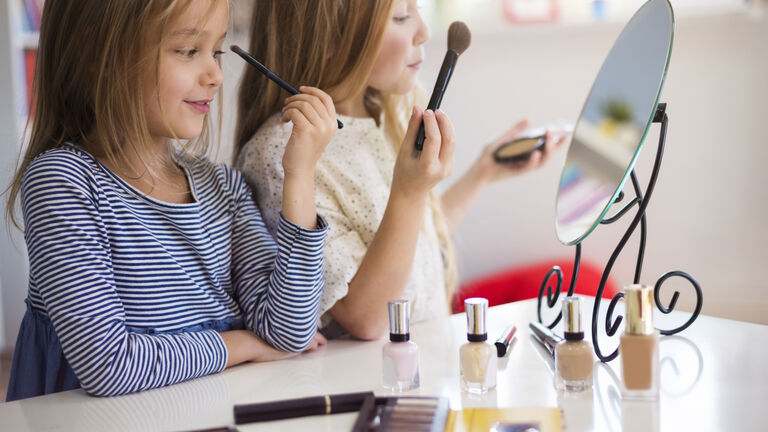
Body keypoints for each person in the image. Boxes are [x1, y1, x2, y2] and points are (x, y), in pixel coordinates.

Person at [4, 0, 337, 401]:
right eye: (187, 51)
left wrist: (299, 174)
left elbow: (288, 331)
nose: (215, 75)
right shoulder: (64, 182)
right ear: (99, 57)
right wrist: (243, 345)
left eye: (215, 51)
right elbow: (109, 367)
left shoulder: (223, 189)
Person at [235, 0, 565, 340]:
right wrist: (409, 191)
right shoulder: (285, 152)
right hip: (374, 382)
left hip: (433, 368)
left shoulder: (385, 116)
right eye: (401, 17)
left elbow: (413, 244)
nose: (424, 31)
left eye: (418, 9)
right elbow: (366, 318)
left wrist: (483, 172)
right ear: (332, 39)